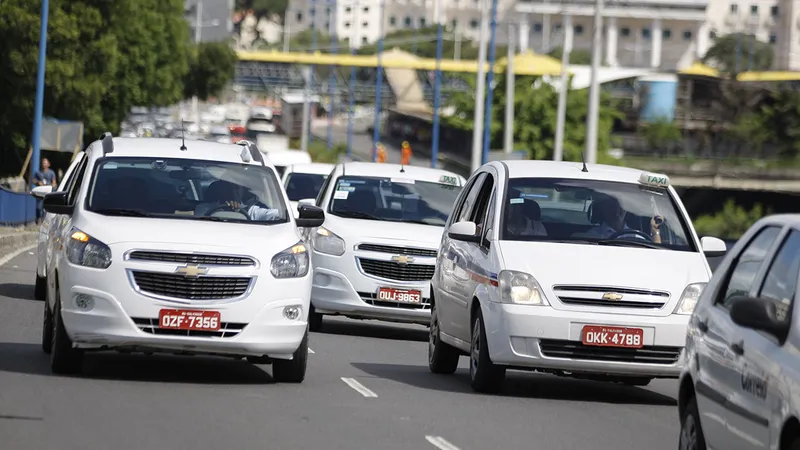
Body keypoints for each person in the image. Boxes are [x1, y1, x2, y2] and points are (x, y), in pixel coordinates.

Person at [582, 196, 662, 243]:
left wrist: (655, 231)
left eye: (621, 207)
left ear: (626, 210)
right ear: (603, 210)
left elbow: (657, 257)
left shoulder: (638, 238)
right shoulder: (591, 236)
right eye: (611, 207)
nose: (617, 211)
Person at [195, 180, 281, 221]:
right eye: (228, 188)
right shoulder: (205, 208)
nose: (233, 191)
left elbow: (276, 215)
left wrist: (239, 211)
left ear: (243, 191)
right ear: (220, 189)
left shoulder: (251, 211)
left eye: (237, 188)